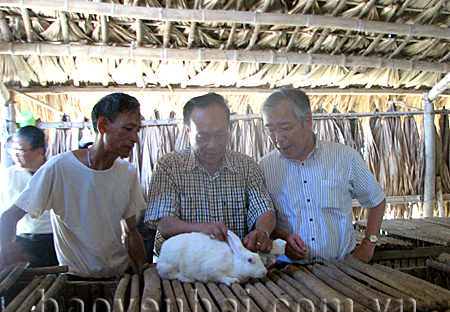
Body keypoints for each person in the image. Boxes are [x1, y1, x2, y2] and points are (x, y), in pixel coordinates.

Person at [0, 93, 149, 279]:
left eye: (137, 130)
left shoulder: (127, 173)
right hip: (75, 280)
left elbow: (132, 231)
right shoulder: (59, 168)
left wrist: (142, 267)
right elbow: (9, 216)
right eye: (128, 129)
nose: (135, 138)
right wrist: (6, 249)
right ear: (103, 126)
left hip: (119, 276)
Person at [258, 88, 386, 264]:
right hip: (287, 274)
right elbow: (262, 222)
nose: (278, 138)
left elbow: (376, 200)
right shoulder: (265, 167)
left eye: (285, 127)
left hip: (342, 269)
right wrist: (282, 239)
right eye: (270, 130)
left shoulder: (345, 158)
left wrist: (369, 243)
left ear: (308, 122)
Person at [145, 93, 276, 255]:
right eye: (202, 136)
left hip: (233, 264)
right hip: (185, 265)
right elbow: (165, 225)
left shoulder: (246, 165)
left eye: (220, 135)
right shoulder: (169, 166)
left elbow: (264, 209)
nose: (213, 145)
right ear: (188, 132)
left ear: (229, 130)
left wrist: (262, 232)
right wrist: (204, 229)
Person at [0, 126, 58, 268]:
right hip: (22, 241)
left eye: (19, 151)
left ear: (38, 152)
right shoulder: (8, 176)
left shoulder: (56, 172)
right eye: (12, 150)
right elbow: (5, 215)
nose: (14, 155)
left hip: (53, 240)